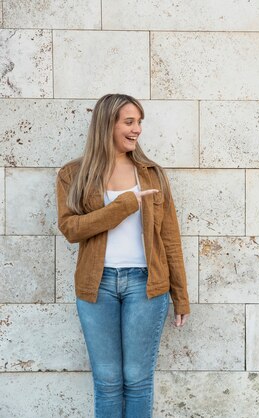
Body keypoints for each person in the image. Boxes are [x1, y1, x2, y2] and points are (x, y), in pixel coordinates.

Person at [56, 93, 190, 417]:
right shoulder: (73, 174)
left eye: (139, 122)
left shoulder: (152, 173)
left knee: (138, 380)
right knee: (107, 381)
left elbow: (170, 238)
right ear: (107, 125)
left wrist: (181, 296)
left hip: (145, 286)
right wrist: (125, 205)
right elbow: (71, 229)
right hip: (96, 285)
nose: (137, 130)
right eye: (129, 122)